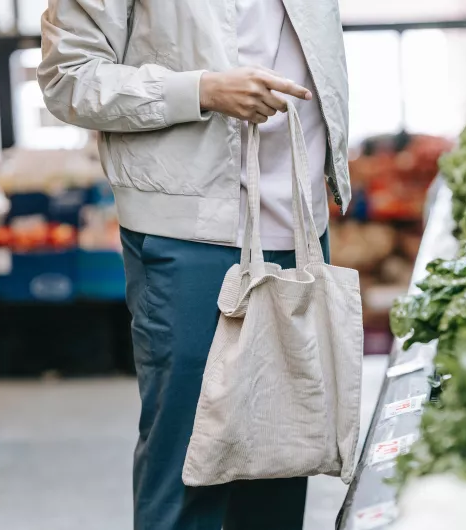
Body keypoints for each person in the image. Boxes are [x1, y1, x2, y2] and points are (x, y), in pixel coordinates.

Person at [38, 1, 351, 529]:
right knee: (188, 471)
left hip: (298, 222)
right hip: (189, 229)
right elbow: (67, 78)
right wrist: (200, 90)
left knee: (280, 467)